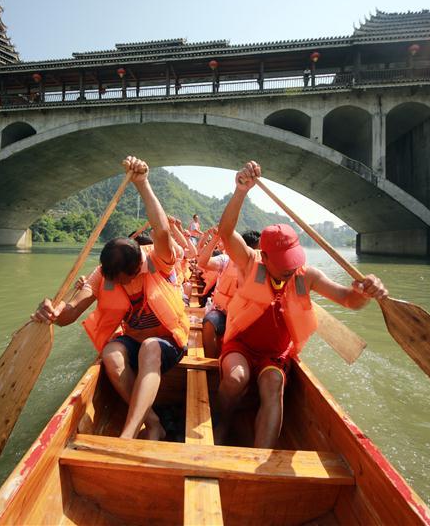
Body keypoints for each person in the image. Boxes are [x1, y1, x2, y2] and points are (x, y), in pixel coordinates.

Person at [214, 161, 388, 448]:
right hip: (242, 346)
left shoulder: (307, 276)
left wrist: (365, 291)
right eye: (281, 265)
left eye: (292, 263)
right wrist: (240, 192)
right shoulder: (248, 262)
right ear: (264, 257)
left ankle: (261, 460)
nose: (289, 270)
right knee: (235, 378)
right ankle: (221, 421)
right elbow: (226, 232)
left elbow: (348, 300)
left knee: (273, 385)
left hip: (275, 355)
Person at [33, 156, 190, 441]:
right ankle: (153, 422)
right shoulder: (102, 274)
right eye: (111, 277)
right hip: (133, 341)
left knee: (150, 349)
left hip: (167, 342)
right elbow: (71, 312)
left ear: (135, 269)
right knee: (110, 354)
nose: (114, 283)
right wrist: (52, 312)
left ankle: (128, 433)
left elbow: (162, 230)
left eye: (121, 279)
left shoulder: (158, 261)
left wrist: (142, 183)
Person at [199, 228, 260, 357]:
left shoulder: (262, 268)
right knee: (209, 322)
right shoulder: (226, 260)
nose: (257, 254)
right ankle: (212, 365)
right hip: (223, 312)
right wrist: (215, 239)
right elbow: (202, 263)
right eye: (256, 250)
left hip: (246, 316)